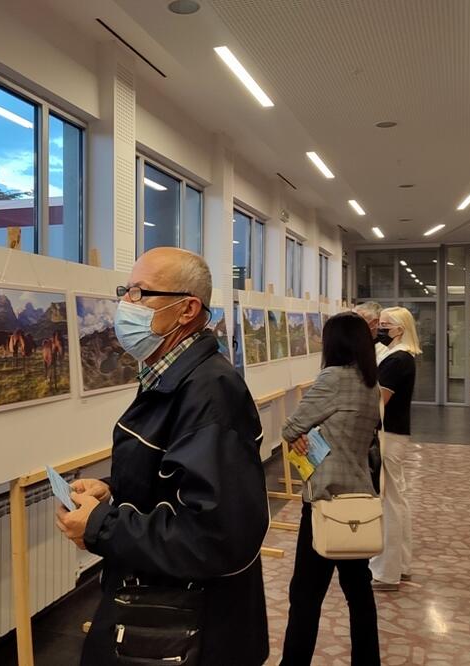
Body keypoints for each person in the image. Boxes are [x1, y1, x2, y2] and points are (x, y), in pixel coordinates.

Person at [55, 248, 269, 665]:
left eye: (139, 294)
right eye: (125, 291)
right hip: (160, 606)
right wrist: (112, 490)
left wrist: (102, 527)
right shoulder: (171, 376)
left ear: (187, 309)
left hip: (190, 627)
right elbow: (177, 475)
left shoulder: (210, 392)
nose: (124, 305)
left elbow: (217, 535)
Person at [279, 312, 382, 665]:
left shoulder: (333, 377)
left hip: (326, 500)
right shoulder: (370, 381)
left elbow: (291, 427)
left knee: (305, 595)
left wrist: (305, 434)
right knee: (358, 591)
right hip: (359, 496)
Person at [369, 306, 420, 591]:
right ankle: (399, 565)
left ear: (399, 329)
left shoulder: (398, 360)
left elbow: (379, 400)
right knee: (396, 500)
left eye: (385, 324)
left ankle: (386, 572)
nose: (380, 328)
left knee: (389, 503)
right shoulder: (395, 355)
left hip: (389, 435)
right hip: (393, 434)